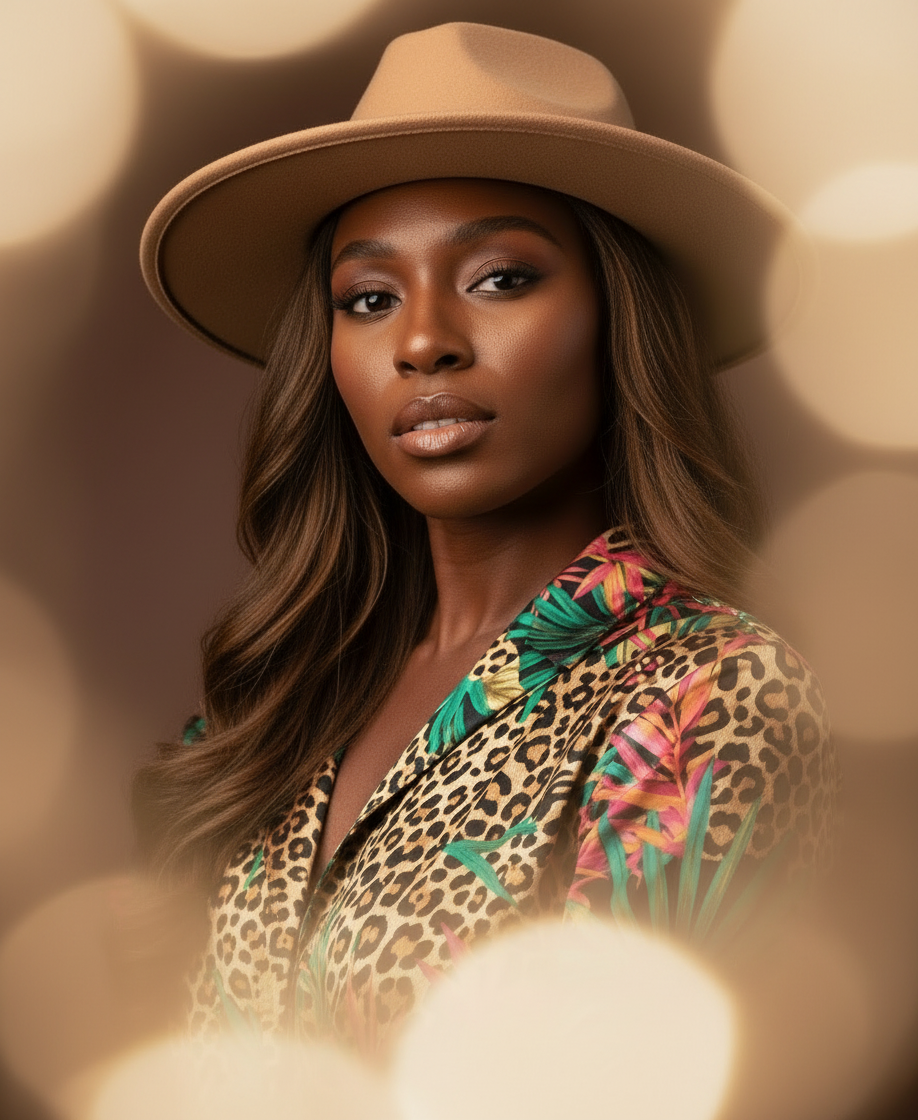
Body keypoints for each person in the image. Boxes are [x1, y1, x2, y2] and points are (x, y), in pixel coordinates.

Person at [135, 23, 835, 1058]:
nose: (422, 341)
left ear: (616, 316)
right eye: (369, 298)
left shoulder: (707, 695)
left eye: (500, 278)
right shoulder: (276, 702)